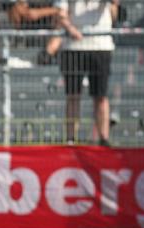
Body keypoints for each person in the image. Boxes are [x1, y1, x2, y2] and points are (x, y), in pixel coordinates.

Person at [56, 0, 119, 145]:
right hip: (73, 47)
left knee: (100, 96)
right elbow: (61, 13)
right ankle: (71, 139)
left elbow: (115, 6)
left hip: (100, 46)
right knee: (72, 95)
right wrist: (71, 29)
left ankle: (103, 138)